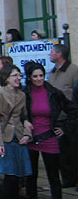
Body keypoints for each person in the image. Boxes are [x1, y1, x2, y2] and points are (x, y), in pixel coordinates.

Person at [24, 61, 77, 199]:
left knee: (53, 177)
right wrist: (24, 122)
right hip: (31, 138)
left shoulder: (53, 93)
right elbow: (18, 114)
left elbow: (72, 110)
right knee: (31, 176)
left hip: (50, 137)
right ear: (29, 77)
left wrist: (64, 128)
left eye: (41, 75)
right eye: (35, 76)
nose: (39, 79)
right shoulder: (24, 94)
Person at [0, 64, 33, 199]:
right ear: (6, 78)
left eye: (19, 75)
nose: (18, 78)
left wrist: (27, 135)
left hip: (19, 138)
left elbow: (24, 118)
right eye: (15, 75)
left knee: (19, 177)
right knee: (10, 177)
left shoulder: (22, 95)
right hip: (5, 138)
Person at [48, 44, 78, 188]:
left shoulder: (74, 71)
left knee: (74, 151)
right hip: (57, 119)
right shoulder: (52, 73)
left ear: (59, 54)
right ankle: (68, 180)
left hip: (71, 118)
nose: (49, 54)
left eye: (52, 52)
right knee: (62, 153)